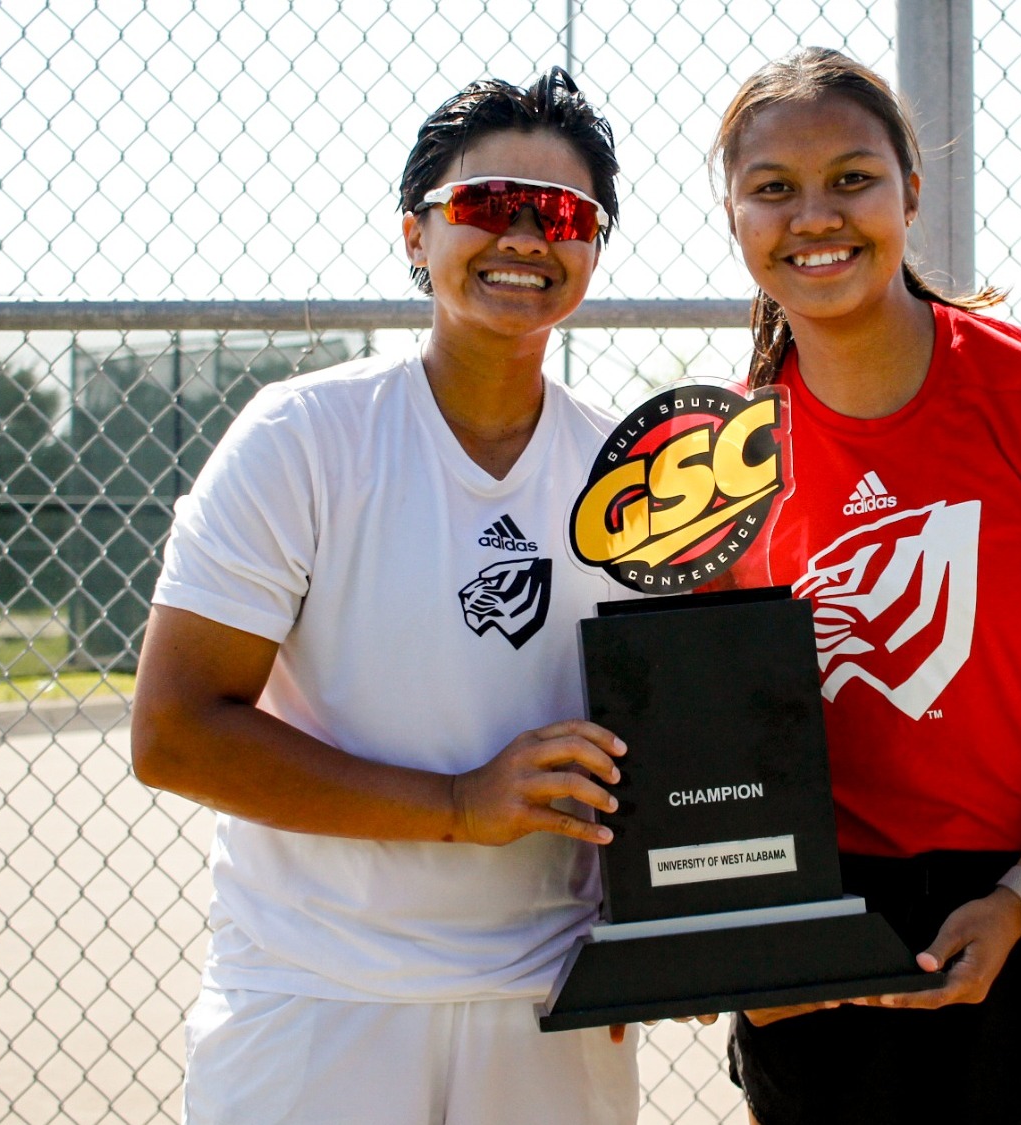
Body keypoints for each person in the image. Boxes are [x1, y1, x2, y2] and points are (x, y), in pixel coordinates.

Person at [130, 69, 641, 1124]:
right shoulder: (302, 437)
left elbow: (665, 728)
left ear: (591, 252)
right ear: (415, 235)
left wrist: (668, 923)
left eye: (562, 215)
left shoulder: (628, 470)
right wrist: (458, 806)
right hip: (317, 991)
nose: (524, 238)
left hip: (548, 996)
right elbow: (174, 733)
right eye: (487, 206)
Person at [709, 49, 1021, 1124]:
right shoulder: (720, 457)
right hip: (824, 918)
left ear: (910, 193)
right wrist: (716, 932)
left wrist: (1020, 897)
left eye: (851, 178)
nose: (814, 216)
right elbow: (715, 732)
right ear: (733, 215)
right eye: (772, 189)